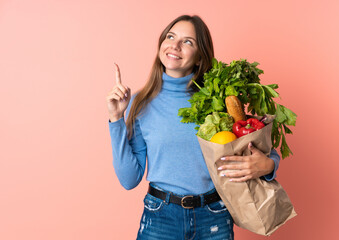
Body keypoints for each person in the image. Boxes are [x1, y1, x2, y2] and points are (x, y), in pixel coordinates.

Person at [106, 15, 280, 240]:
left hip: (214, 215)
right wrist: (116, 119)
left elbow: (265, 151)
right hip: (160, 218)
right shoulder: (139, 102)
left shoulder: (218, 99)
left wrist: (267, 166)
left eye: (188, 42)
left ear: (200, 57)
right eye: (170, 37)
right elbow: (129, 179)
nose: (175, 46)